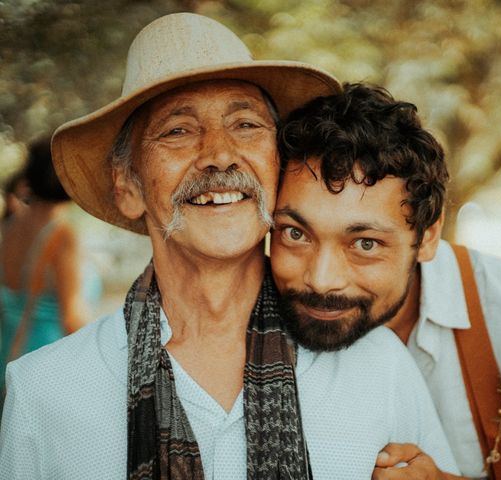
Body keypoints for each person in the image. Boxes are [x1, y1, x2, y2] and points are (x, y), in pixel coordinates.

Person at [0, 14, 460, 480]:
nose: (220, 154)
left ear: (278, 166)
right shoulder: (45, 391)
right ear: (128, 185)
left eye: (245, 124)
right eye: (177, 130)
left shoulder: (378, 366)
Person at [270, 82, 501, 479]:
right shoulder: (240, 318)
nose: (322, 280)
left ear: (427, 237)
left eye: (365, 243)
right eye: (295, 233)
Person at [0, 138, 98, 394]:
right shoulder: (63, 235)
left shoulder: (11, 228)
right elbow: (72, 319)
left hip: (8, 360)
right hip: (48, 370)